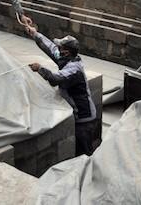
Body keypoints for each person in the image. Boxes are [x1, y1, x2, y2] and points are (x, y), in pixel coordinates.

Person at [25, 25, 98, 156]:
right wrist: (35, 33)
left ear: (66, 52)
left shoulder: (74, 70)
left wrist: (40, 69)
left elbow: (55, 79)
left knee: (84, 153)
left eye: (60, 48)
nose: (57, 49)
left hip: (84, 119)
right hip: (78, 115)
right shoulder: (66, 58)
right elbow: (49, 47)